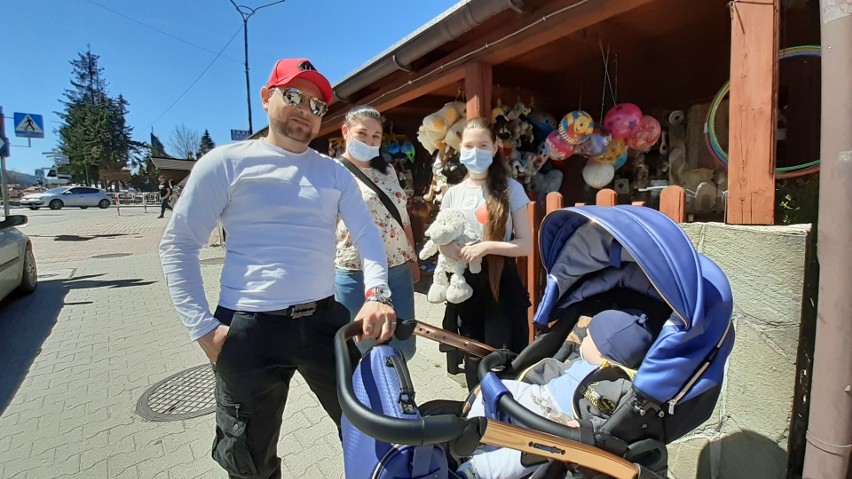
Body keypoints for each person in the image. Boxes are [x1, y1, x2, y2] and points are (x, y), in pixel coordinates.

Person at [159, 58, 397, 479]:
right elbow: (178, 245)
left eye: (317, 104)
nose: (306, 109)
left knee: (370, 429)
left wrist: (377, 294)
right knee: (249, 458)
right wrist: (201, 327)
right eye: (293, 95)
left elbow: (367, 235)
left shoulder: (333, 173)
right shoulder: (225, 163)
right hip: (249, 330)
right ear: (267, 97)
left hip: (326, 322)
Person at [457, 310, 656, 479]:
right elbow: (552, 371)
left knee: (537, 447)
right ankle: (472, 433)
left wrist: (586, 427)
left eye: (587, 338)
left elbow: (612, 421)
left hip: (559, 422)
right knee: (499, 386)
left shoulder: (620, 385)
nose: (582, 340)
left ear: (604, 351)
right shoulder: (580, 362)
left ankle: (479, 470)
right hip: (539, 394)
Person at [438, 117, 533, 388]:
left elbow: (525, 244)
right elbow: (441, 239)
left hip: (501, 283)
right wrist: (448, 248)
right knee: (473, 356)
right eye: (469, 145)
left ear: (494, 149)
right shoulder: (452, 193)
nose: (475, 151)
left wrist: (487, 246)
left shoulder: (511, 189)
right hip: (465, 287)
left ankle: (506, 418)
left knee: (502, 358)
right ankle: (477, 417)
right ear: (460, 149)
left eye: (482, 145)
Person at [334, 105, 420, 360]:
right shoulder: (333, 172)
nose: (369, 141)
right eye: (362, 134)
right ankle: (364, 395)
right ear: (345, 131)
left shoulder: (388, 170)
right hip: (355, 271)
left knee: (403, 342)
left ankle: (395, 392)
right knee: (362, 344)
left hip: (397, 267)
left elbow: (403, 219)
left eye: (375, 136)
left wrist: (413, 258)